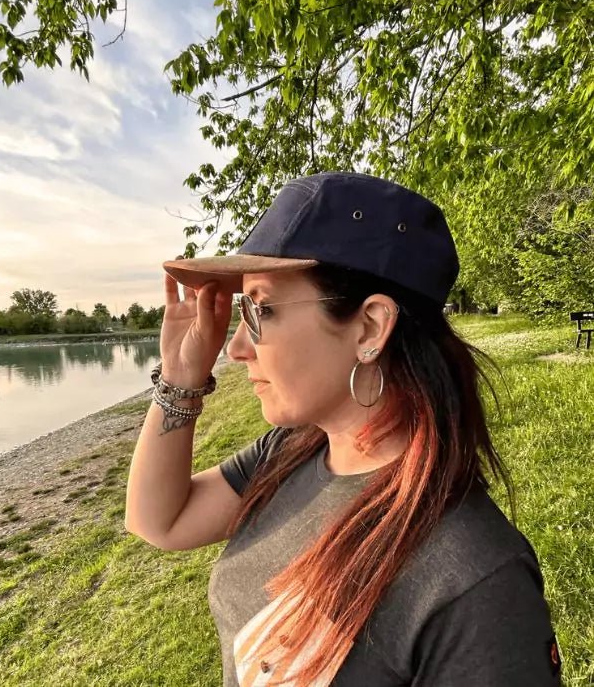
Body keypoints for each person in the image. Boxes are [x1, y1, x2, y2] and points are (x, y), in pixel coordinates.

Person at [124, 172, 562, 686]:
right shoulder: (290, 453)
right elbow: (160, 521)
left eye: (259, 309)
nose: (237, 348)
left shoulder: (476, 584)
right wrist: (179, 376)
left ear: (371, 327)